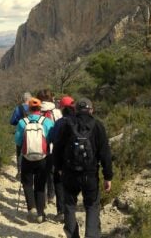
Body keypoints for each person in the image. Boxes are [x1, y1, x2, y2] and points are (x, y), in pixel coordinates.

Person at [53, 98, 113, 238]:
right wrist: (107, 176)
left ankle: (72, 235)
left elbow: (57, 149)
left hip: (70, 173)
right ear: (91, 110)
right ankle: (91, 235)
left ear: (76, 110)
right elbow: (105, 153)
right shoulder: (98, 125)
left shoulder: (67, 124)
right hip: (90, 174)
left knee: (69, 204)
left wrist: (59, 168)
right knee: (92, 206)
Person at [15, 97, 54, 223]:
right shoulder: (47, 122)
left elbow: (18, 141)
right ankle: (40, 214)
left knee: (27, 183)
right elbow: (51, 139)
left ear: (29, 109)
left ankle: (31, 207)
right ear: (40, 109)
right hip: (43, 157)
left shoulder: (22, 122)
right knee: (40, 185)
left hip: (27, 157)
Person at [48, 95, 76, 223]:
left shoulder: (59, 122)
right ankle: (71, 210)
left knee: (58, 183)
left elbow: (52, 138)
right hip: (76, 158)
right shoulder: (79, 121)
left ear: (63, 108)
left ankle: (61, 211)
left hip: (60, 157)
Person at [37, 89, 62, 206]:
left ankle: (42, 198)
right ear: (51, 98)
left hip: (38, 146)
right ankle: (51, 195)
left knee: (40, 172)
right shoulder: (56, 112)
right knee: (52, 171)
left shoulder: (36, 111)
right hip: (52, 146)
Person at [10, 91, 32, 177]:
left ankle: (20, 172)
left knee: (19, 152)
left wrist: (19, 123)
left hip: (21, 133)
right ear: (29, 99)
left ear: (23, 99)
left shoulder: (18, 108)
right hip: (33, 133)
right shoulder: (33, 108)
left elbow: (12, 121)